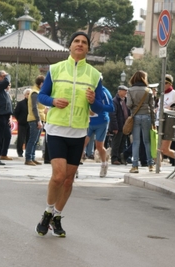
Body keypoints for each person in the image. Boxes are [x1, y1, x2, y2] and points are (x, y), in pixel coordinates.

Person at [35, 31, 104, 237]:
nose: (80, 44)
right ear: (70, 46)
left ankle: (57, 216)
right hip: (56, 128)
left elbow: (101, 107)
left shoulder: (94, 75)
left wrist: (93, 101)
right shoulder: (55, 69)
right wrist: (53, 101)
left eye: (84, 42)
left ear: (88, 49)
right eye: (76, 41)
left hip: (79, 132)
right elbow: (42, 96)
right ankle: (47, 212)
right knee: (58, 176)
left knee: (69, 180)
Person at [126, 70, 155, 173]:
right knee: (147, 141)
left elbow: (128, 105)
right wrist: (153, 121)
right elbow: (152, 107)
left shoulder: (130, 90)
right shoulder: (149, 91)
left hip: (135, 116)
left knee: (136, 142)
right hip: (147, 116)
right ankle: (150, 165)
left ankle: (135, 166)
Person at [82, 85, 114, 176]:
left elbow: (111, 108)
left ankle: (104, 164)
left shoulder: (104, 91)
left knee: (99, 146)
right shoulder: (86, 90)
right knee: (82, 144)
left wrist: (97, 107)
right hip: (88, 122)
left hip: (101, 121)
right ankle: (75, 167)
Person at [158, 74, 175, 168]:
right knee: (157, 148)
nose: (163, 85)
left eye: (166, 83)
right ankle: (158, 167)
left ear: (170, 84)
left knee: (164, 149)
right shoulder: (162, 94)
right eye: (162, 83)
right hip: (159, 121)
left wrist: (173, 109)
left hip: (169, 122)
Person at [25, 75, 46, 166]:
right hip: (35, 119)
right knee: (32, 140)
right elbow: (35, 107)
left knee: (35, 140)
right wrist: (38, 120)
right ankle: (28, 158)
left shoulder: (37, 92)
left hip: (39, 118)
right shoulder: (35, 93)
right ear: (41, 83)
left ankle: (32, 157)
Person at [109, 85, 130, 165]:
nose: (126, 92)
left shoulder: (126, 100)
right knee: (116, 143)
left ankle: (120, 158)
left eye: (126, 91)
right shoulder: (115, 101)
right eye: (124, 91)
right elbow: (113, 115)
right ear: (119, 91)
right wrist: (115, 127)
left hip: (125, 126)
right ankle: (114, 158)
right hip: (118, 126)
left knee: (122, 143)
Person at [13, 88, 31, 157]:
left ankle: (28, 152)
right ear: (24, 95)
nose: (29, 95)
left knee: (29, 139)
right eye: (27, 94)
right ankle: (19, 151)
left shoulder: (33, 104)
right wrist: (19, 119)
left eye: (30, 94)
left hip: (30, 124)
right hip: (22, 123)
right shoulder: (20, 103)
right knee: (21, 138)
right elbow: (16, 113)